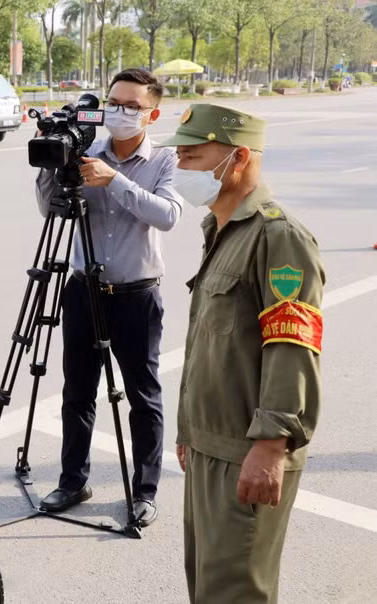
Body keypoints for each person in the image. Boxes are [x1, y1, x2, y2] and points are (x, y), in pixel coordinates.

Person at [157, 104, 324, 604]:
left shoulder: (279, 236)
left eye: (192, 157)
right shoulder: (222, 229)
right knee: (208, 589)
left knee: (235, 595)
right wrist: (191, 432)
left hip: (249, 449)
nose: (180, 169)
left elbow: (291, 346)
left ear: (240, 158)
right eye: (179, 158)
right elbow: (212, 344)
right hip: (213, 445)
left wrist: (271, 446)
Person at [34, 68, 183, 526]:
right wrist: (50, 164)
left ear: (151, 113)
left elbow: (169, 215)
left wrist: (113, 180)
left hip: (137, 296)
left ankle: (144, 491)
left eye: (132, 106)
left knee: (144, 395)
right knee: (77, 392)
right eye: (113, 103)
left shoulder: (165, 160)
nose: (119, 112)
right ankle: (72, 481)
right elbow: (49, 209)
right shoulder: (85, 149)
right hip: (83, 291)